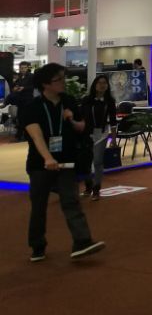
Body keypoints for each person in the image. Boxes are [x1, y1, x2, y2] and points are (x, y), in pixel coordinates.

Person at [21, 63, 105, 262]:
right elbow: (36, 136)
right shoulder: (32, 107)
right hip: (40, 164)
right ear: (45, 84)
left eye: (63, 78)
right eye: (58, 79)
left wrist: (72, 120)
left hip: (67, 161)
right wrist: (47, 158)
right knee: (39, 206)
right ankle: (37, 246)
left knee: (71, 201)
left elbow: (82, 126)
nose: (63, 82)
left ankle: (82, 241)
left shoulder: (68, 101)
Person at [81, 75, 118, 201]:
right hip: (87, 134)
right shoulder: (86, 100)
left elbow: (113, 121)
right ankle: (88, 185)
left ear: (107, 85)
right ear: (95, 85)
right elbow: (81, 116)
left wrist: (114, 139)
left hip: (102, 134)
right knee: (86, 162)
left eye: (104, 83)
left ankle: (96, 188)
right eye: (99, 83)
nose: (102, 85)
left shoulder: (110, 101)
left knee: (97, 161)